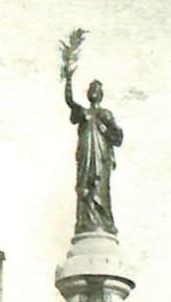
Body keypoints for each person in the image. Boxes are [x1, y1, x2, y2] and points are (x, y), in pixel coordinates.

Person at [64, 76, 123, 235]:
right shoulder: (84, 113)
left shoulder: (105, 115)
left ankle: (104, 221)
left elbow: (118, 137)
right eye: (91, 90)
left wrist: (107, 131)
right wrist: (68, 78)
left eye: (96, 90)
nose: (93, 92)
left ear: (101, 94)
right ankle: (85, 223)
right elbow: (70, 101)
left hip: (101, 156)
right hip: (86, 156)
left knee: (100, 189)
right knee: (85, 189)